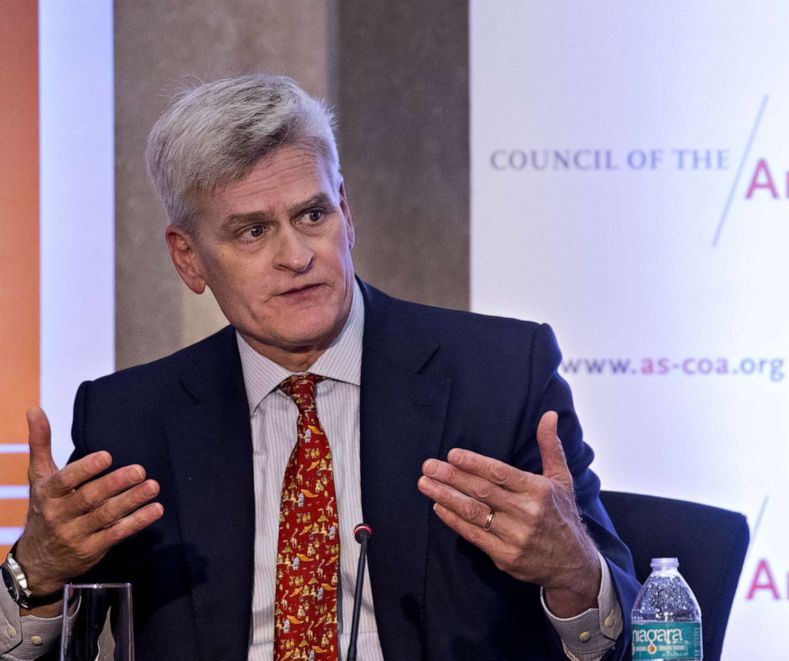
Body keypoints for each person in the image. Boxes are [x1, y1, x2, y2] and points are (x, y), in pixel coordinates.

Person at [0, 74, 639, 661]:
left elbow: (635, 642)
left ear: (346, 211)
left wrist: (574, 571)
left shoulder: (499, 375)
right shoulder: (131, 418)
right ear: (188, 258)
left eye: (312, 215)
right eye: (252, 232)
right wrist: (38, 567)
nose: (297, 255)